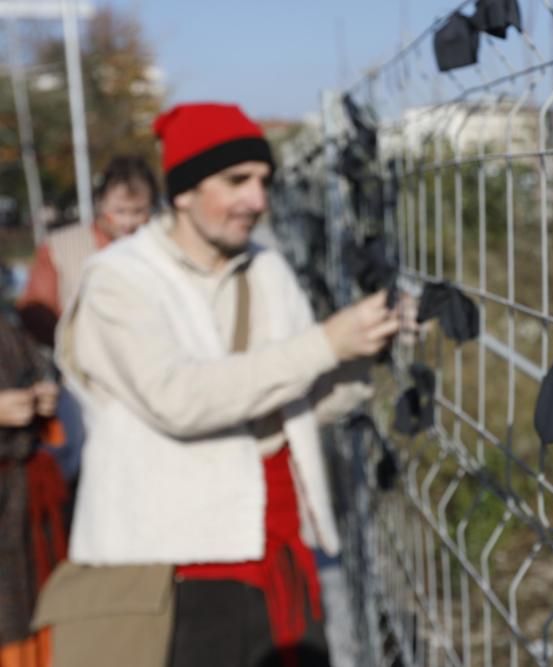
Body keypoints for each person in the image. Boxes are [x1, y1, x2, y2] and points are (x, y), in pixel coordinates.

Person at [48, 102, 399, 667]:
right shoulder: (118, 281)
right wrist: (326, 344)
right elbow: (179, 400)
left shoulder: (268, 269)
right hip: (182, 570)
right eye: (236, 182)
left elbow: (291, 401)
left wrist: (368, 353)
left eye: (263, 181)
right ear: (183, 191)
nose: (257, 201)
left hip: (284, 557)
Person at [17, 155, 159, 348]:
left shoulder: (160, 249)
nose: (129, 222)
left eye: (138, 211)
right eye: (120, 211)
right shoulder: (59, 247)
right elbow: (36, 313)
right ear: (101, 204)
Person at [0, 269, 66, 667]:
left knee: (36, 614)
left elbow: (33, 373)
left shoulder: (9, 325)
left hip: (22, 501)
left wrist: (43, 399)